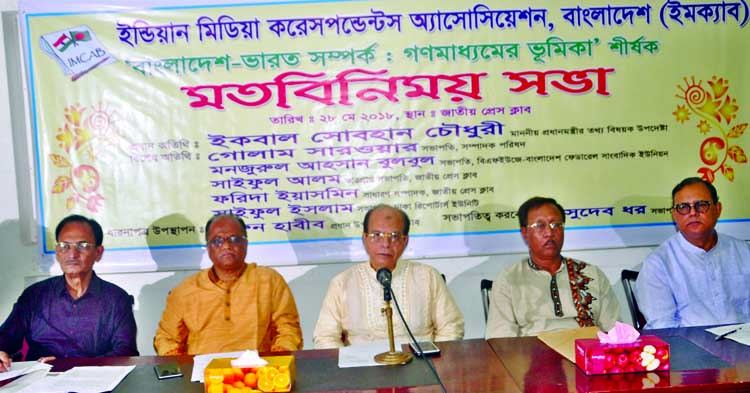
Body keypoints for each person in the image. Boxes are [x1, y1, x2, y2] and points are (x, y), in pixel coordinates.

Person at [313, 204, 464, 348]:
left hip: (420, 365)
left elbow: (451, 327)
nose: (385, 243)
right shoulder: (342, 283)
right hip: (362, 369)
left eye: (394, 236)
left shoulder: (428, 276)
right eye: (376, 235)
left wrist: (434, 361)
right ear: (364, 238)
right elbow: (325, 336)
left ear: (405, 241)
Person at [0, 215, 138, 372]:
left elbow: (126, 351)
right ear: (57, 251)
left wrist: (71, 365)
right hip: (40, 382)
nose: (72, 254)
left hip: (94, 382)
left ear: (98, 252)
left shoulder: (116, 299)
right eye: (64, 246)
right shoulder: (34, 295)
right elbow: (6, 337)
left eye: (83, 245)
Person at [154, 214, 303, 355]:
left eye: (234, 239)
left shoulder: (269, 281)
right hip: (203, 376)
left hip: (256, 373)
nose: (226, 245)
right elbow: (166, 338)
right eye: (217, 240)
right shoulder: (185, 290)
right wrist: (185, 368)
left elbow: (288, 330)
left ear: (245, 243)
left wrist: (275, 366)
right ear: (208, 247)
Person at [485, 197, 620, 338]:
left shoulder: (591, 274)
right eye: (540, 226)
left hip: (587, 353)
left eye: (556, 225)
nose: (549, 233)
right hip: (534, 355)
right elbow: (500, 340)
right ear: (524, 232)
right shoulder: (509, 279)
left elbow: (615, 329)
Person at [636, 177, 750, 328]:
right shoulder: (658, 263)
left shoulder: (743, 251)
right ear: (674, 215)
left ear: (718, 209)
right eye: (683, 207)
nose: (693, 213)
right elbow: (663, 327)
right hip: (689, 348)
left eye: (701, 205)